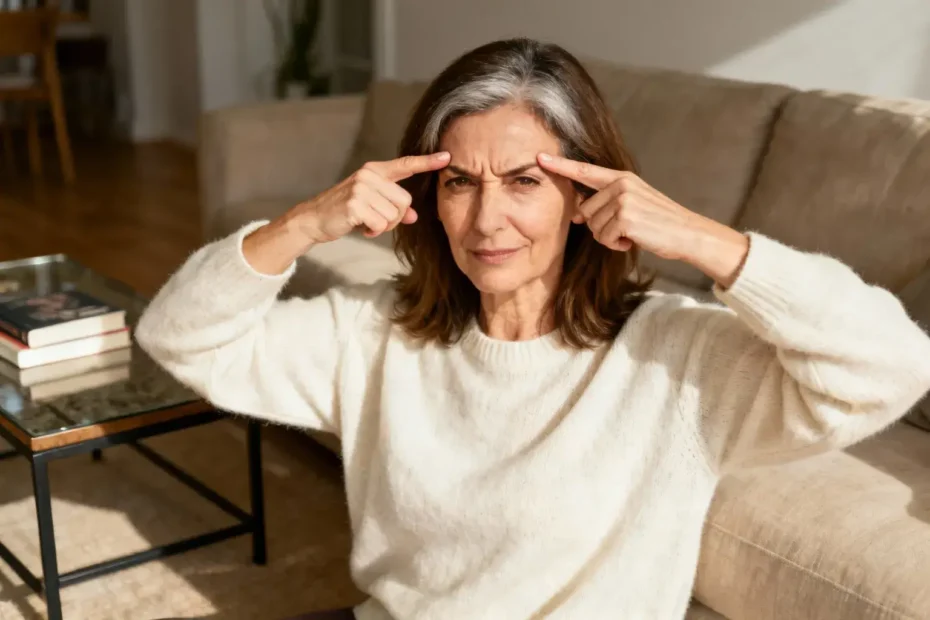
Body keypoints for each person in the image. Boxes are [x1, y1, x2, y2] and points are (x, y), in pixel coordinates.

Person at [136, 38, 930, 620]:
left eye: (524, 182)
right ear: (428, 194)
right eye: (458, 183)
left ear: (583, 197)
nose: (487, 220)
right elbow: (179, 337)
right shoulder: (376, 333)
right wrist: (307, 222)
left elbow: (893, 365)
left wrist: (704, 239)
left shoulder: (677, 356)